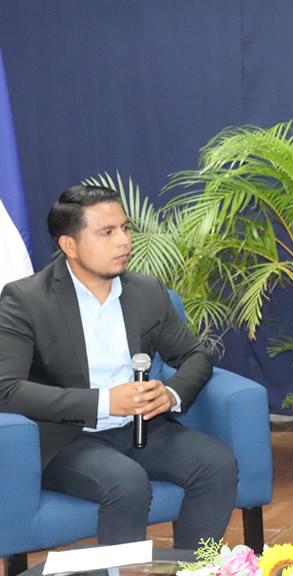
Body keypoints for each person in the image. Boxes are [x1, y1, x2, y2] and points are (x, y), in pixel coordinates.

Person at [0, 185, 238, 549]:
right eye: (107, 232)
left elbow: (195, 355)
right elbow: (8, 389)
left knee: (217, 465)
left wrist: (170, 393)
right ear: (69, 245)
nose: (123, 241)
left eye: (125, 228)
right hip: (69, 439)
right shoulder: (26, 299)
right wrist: (104, 403)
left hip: (145, 429)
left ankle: (194, 571)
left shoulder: (146, 291)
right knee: (126, 483)